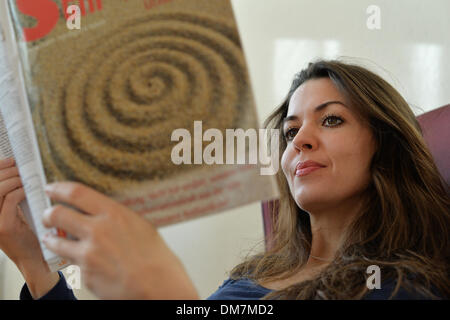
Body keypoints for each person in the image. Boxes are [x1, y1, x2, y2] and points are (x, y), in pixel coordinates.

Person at [0, 60, 448, 300]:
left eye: (330, 121)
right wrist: (35, 267)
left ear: (386, 145)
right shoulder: (259, 273)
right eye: (290, 132)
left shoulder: (397, 289)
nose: (300, 141)